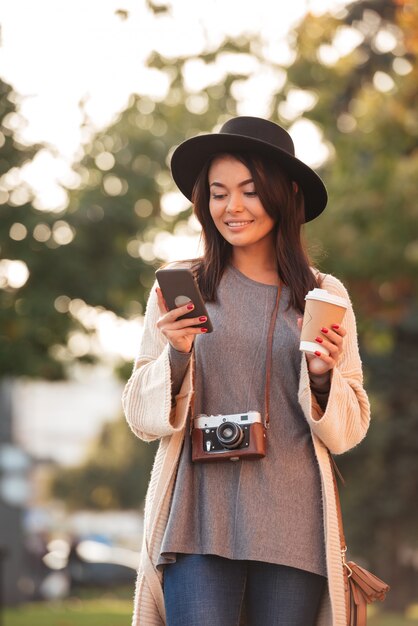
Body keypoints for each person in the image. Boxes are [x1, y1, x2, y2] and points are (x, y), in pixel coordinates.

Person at [122, 116, 371, 626]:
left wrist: (323, 376)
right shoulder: (179, 287)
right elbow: (140, 416)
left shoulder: (323, 294)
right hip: (195, 520)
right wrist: (177, 354)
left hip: (292, 523)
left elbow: (350, 428)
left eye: (250, 191)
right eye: (217, 193)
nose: (231, 207)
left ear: (286, 195)